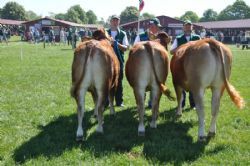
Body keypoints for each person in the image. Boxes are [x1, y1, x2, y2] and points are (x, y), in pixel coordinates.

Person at [170, 20, 201, 110]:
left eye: (189, 26)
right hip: (181, 66)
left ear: (192, 27)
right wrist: (183, 48)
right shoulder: (178, 38)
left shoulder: (197, 37)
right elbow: (171, 51)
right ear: (183, 27)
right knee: (181, 85)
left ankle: (193, 104)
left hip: (194, 66)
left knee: (193, 85)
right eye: (186, 26)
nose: (188, 27)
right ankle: (182, 104)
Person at [134, 17, 163, 108]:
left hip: (157, 65)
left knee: (155, 83)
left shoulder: (161, 37)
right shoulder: (140, 36)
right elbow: (134, 48)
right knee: (142, 82)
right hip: (142, 65)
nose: (157, 28)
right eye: (155, 26)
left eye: (157, 27)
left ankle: (152, 102)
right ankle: (142, 100)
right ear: (150, 26)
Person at [107, 15, 129, 107]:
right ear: (110, 22)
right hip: (105, 62)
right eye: (113, 20)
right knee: (105, 81)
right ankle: (105, 102)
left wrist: (116, 43)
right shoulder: (105, 33)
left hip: (119, 61)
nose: (115, 22)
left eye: (117, 21)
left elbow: (126, 48)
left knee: (119, 81)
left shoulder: (123, 34)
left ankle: (119, 102)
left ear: (119, 22)